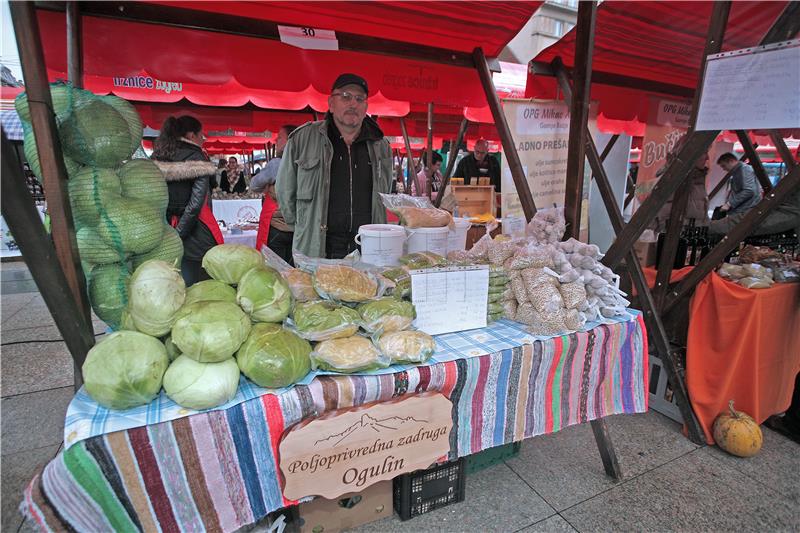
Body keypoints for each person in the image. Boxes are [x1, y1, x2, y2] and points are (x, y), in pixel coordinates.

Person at [276, 73, 393, 259]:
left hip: (367, 250)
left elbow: (384, 192)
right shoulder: (303, 139)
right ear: (331, 103)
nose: (352, 104)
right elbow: (285, 192)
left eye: (359, 99)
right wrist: (305, 226)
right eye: (345, 96)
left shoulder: (381, 146)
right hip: (319, 249)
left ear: (366, 107)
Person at [151, 115, 223, 286]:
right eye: (201, 136)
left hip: (164, 226)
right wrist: (180, 233)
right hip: (196, 230)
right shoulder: (197, 156)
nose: (202, 140)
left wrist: (171, 231)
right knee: (202, 282)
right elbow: (196, 203)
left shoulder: (158, 154)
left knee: (172, 277)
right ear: (191, 135)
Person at [250, 124, 298, 264]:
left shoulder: (277, 163)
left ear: (290, 141)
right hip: (297, 229)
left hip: (276, 227)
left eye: (280, 137)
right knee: (292, 269)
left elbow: (254, 184)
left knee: (274, 269)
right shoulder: (304, 163)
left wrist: (267, 185)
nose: (276, 141)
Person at [652, 152, 710, 232]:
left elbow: (702, 217)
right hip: (671, 239)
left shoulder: (698, 179)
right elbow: (657, 219)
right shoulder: (668, 180)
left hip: (691, 238)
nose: (707, 158)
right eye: (704, 152)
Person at [716, 152, 761, 217]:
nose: (723, 169)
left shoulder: (744, 169)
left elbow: (749, 191)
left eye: (724, 166)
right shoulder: (738, 170)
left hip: (745, 210)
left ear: (731, 161)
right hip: (743, 209)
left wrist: (729, 204)